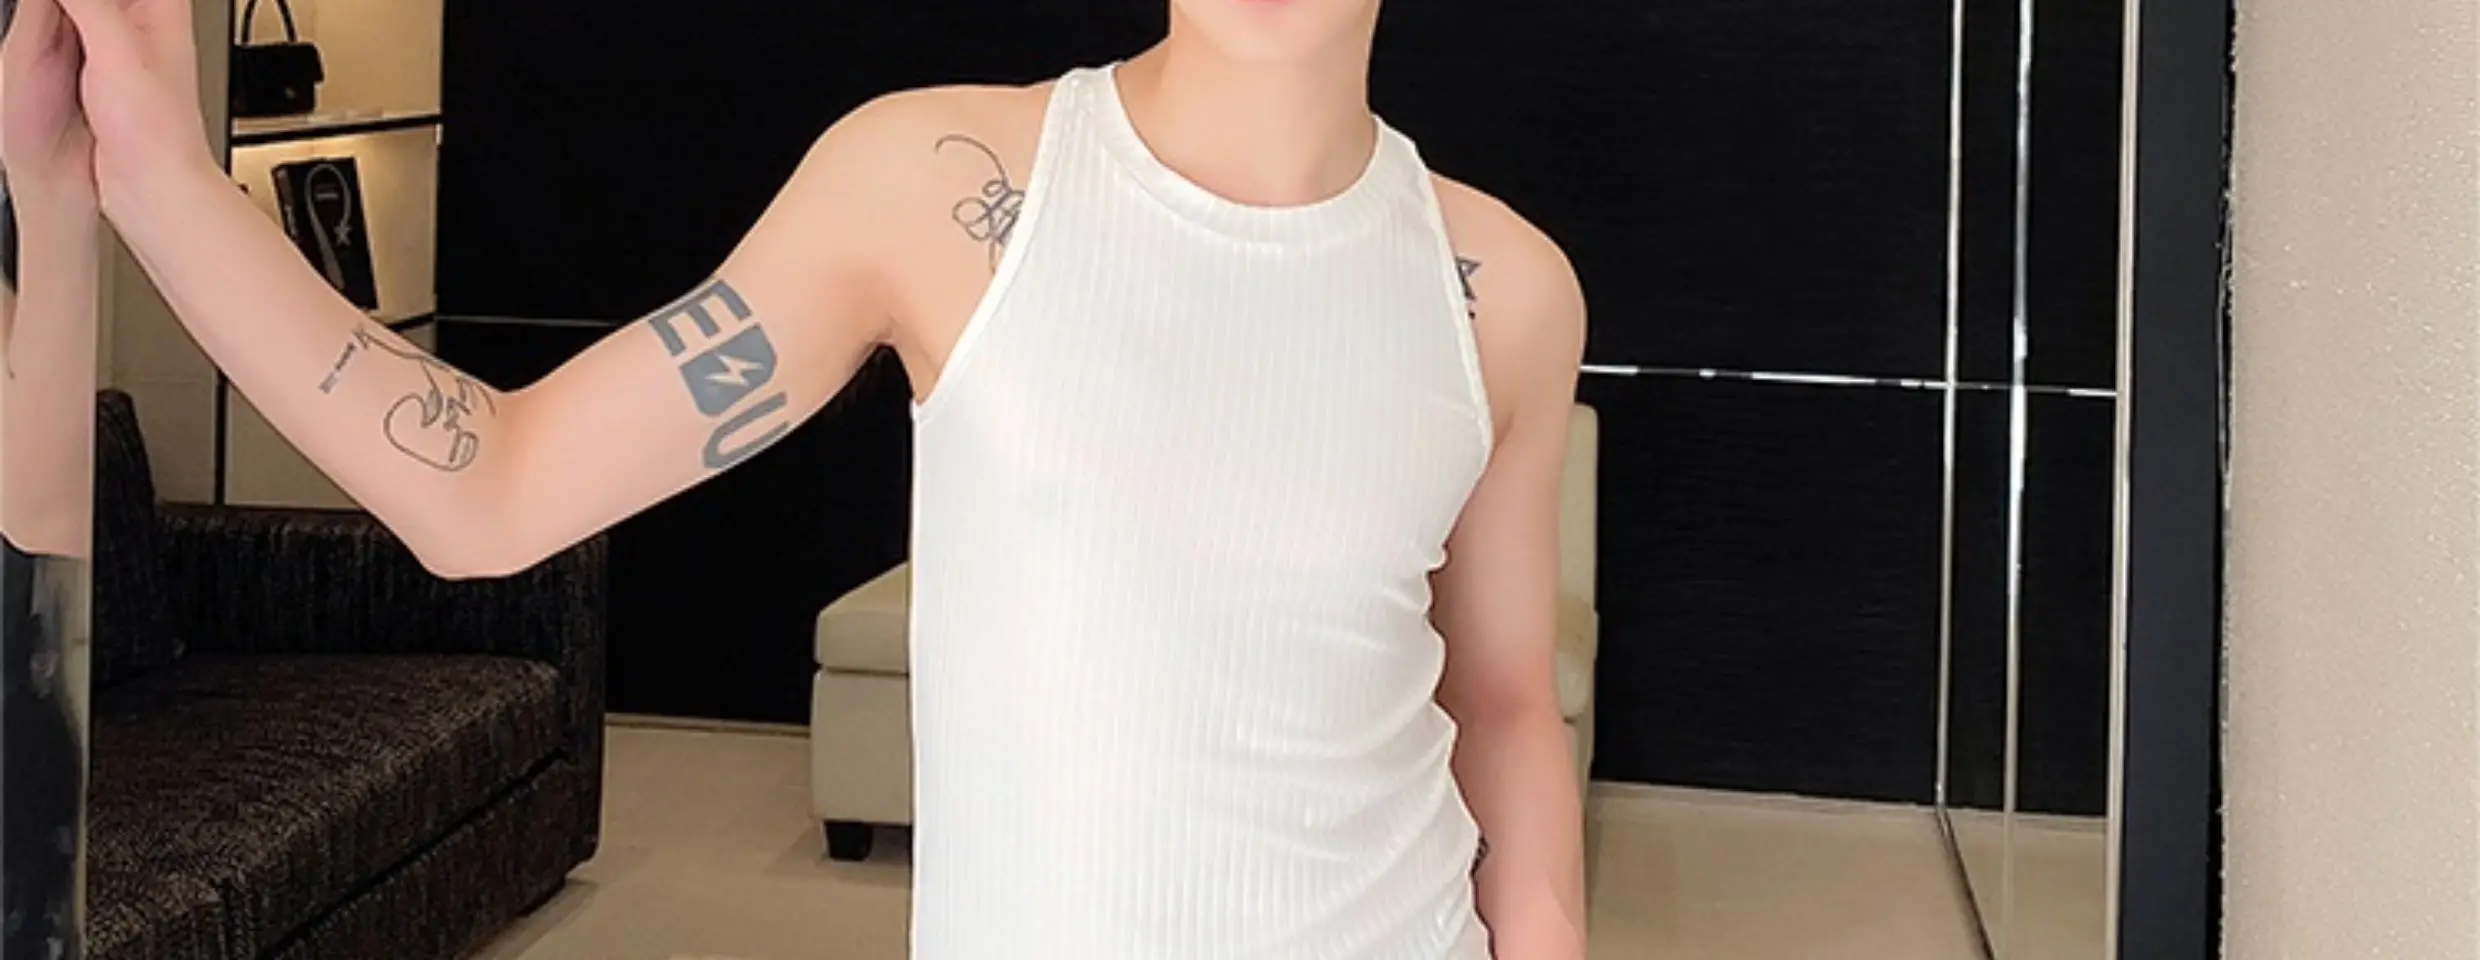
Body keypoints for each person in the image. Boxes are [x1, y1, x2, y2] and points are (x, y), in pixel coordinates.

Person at [6, 0, 1588, 954]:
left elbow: (1508, 703)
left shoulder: (1505, 291)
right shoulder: (941, 184)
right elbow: (489, 490)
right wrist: (161, 174)